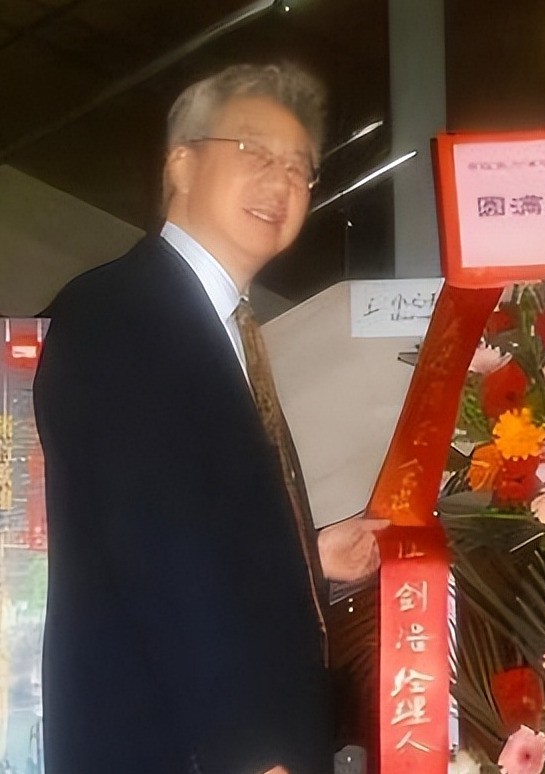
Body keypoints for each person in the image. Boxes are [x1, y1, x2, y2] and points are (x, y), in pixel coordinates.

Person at [34, 63, 385, 774]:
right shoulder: (121, 312)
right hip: (177, 749)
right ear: (182, 163)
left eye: (300, 167)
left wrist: (310, 557)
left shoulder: (215, 326)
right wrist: (244, 751)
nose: (282, 180)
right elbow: (155, 551)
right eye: (254, 151)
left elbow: (203, 529)